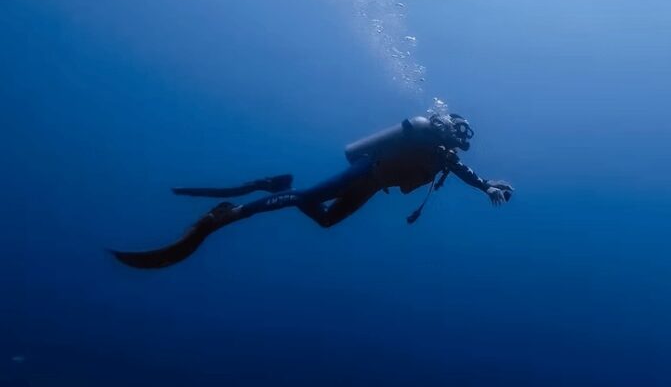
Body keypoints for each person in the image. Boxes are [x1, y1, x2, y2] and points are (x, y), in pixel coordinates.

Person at [112, 113, 513, 269]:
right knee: (308, 199)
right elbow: (454, 163)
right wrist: (482, 183)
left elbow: (466, 173)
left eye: (459, 140)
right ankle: (225, 217)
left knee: (323, 221)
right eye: (456, 134)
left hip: (374, 186)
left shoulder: (445, 157)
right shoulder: (428, 136)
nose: (457, 143)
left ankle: (279, 185)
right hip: (368, 168)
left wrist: (487, 186)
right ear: (447, 128)